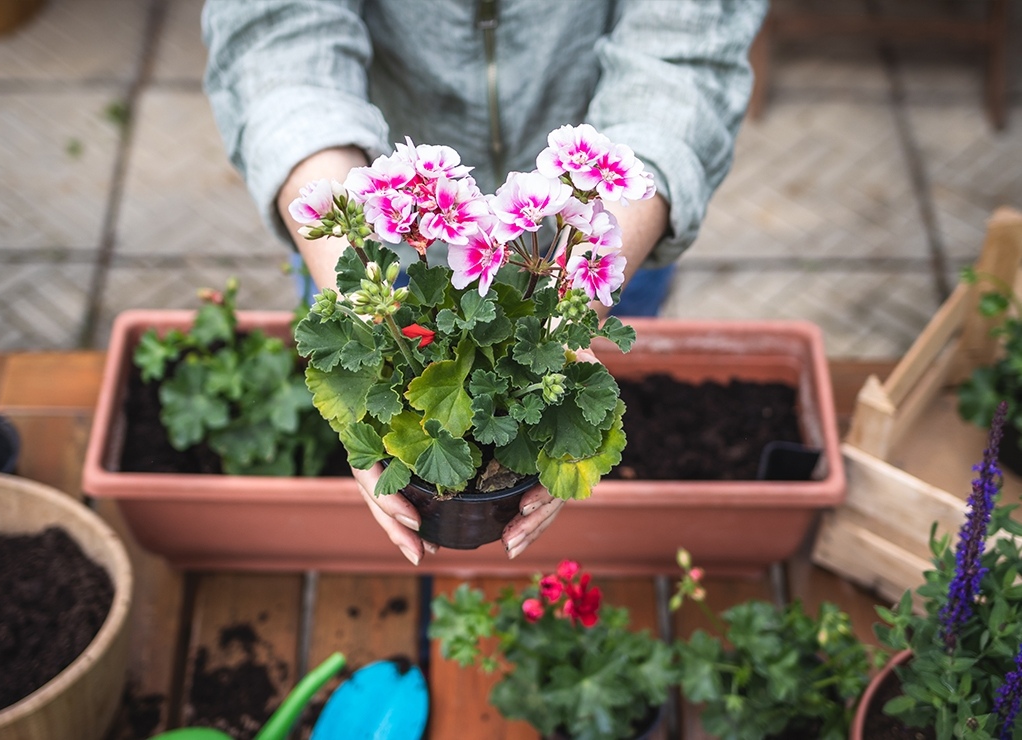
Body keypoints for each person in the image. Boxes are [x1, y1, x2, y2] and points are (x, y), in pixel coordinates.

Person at [202, 0, 767, 566]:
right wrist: (356, 289)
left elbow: (686, 48)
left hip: (612, 233)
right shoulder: (380, 240)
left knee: (587, 396)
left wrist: (576, 321)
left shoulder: (588, 238)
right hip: (382, 241)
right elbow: (275, 37)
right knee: (358, 360)